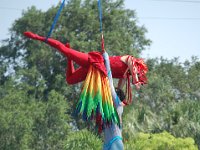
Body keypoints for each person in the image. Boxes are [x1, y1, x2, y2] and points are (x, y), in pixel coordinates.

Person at [23, 31, 148, 103]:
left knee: (70, 80)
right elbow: (132, 63)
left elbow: (116, 91)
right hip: (93, 62)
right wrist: (136, 79)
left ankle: (69, 56)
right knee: (63, 49)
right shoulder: (129, 60)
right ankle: (38, 37)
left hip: (93, 73)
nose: (136, 83)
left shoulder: (125, 76)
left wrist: (118, 101)